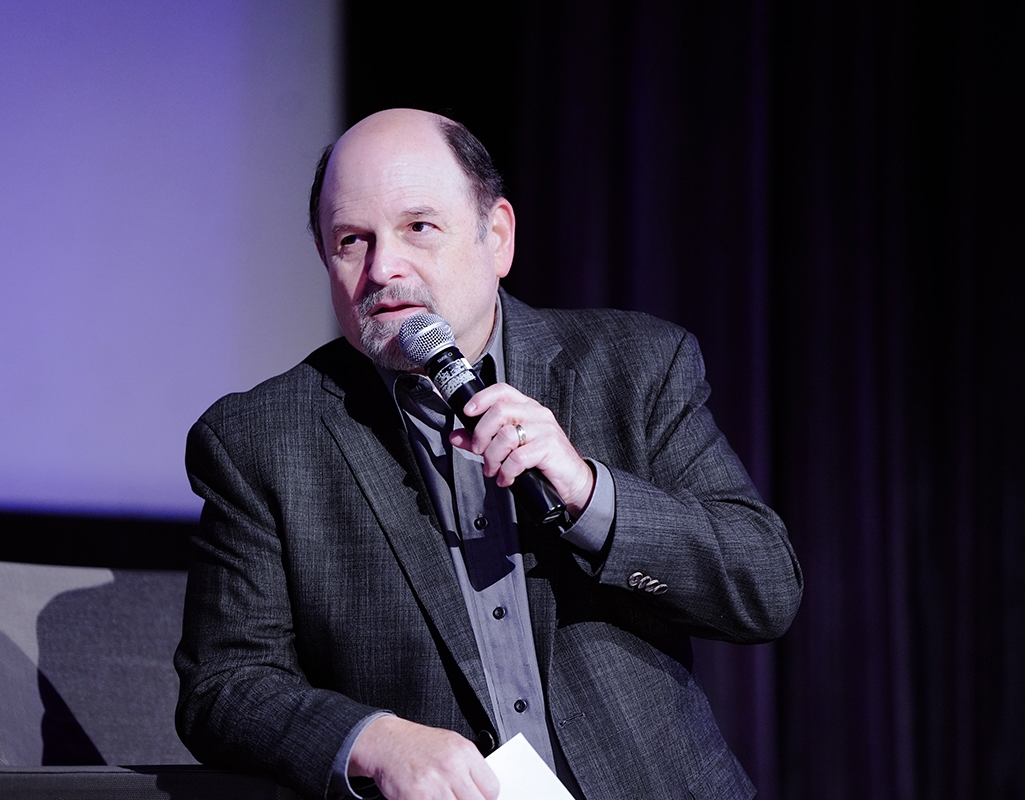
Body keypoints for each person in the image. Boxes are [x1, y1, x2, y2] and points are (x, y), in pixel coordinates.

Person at [175, 108, 802, 800]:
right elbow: (225, 686)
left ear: (496, 237)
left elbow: (767, 588)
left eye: (419, 227)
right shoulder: (262, 438)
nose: (384, 268)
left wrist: (592, 496)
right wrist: (376, 739)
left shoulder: (635, 367)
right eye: (352, 240)